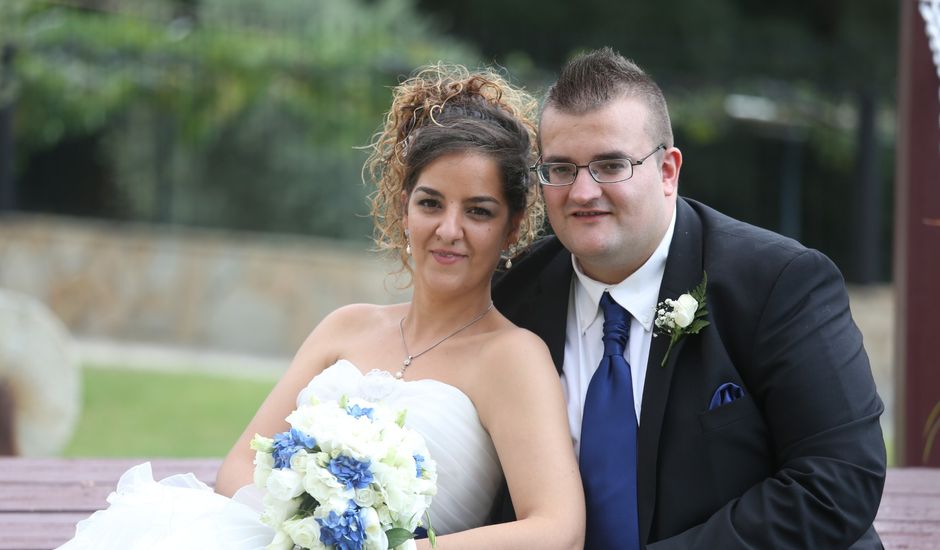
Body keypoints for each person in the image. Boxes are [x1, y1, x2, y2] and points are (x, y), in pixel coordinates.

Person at [57, 65, 585, 550]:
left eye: (478, 211)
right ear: (403, 209)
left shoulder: (513, 358)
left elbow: (557, 528)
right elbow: (241, 463)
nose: (449, 230)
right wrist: (301, 526)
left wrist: (391, 548)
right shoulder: (345, 326)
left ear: (512, 228)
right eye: (430, 203)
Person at [492, 47, 887, 549]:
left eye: (611, 165)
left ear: (667, 172)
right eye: (561, 169)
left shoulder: (779, 283)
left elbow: (838, 480)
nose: (583, 192)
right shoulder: (515, 295)